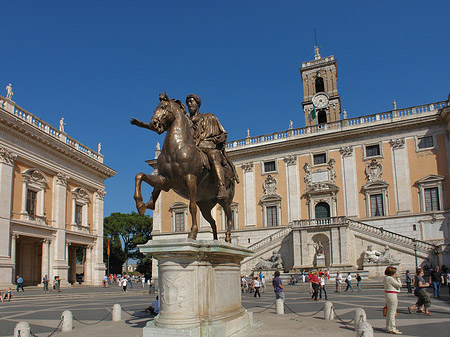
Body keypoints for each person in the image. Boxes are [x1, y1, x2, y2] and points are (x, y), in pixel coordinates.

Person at [186, 94, 237, 199]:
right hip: (194, 148)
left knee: (213, 156)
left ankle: (221, 186)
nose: (190, 104)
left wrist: (218, 139)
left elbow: (223, 133)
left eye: (192, 101)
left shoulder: (209, 117)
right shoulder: (186, 122)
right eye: (188, 102)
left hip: (209, 148)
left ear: (198, 103)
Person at [383, 266, 402, 335]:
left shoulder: (385, 278)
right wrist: (398, 278)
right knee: (392, 312)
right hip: (392, 295)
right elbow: (399, 285)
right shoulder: (390, 279)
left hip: (387, 294)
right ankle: (392, 328)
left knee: (389, 312)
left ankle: (389, 327)